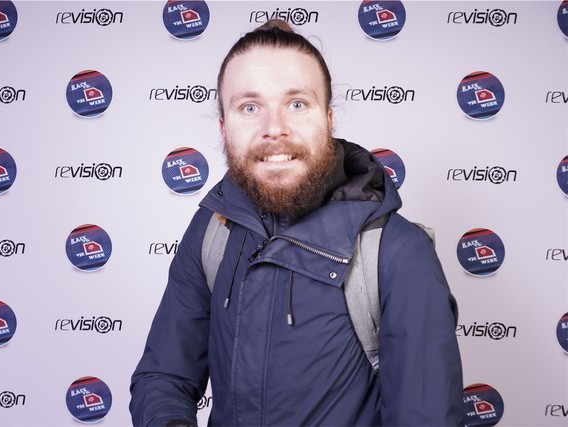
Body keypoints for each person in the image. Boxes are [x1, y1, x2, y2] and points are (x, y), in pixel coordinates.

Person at [130, 19, 463, 426]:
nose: (274, 129)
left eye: (297, 104)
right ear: (223, 127)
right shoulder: (212, 229)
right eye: (249, 107)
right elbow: (163, 377)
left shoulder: (398, 253)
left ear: (329, 119)